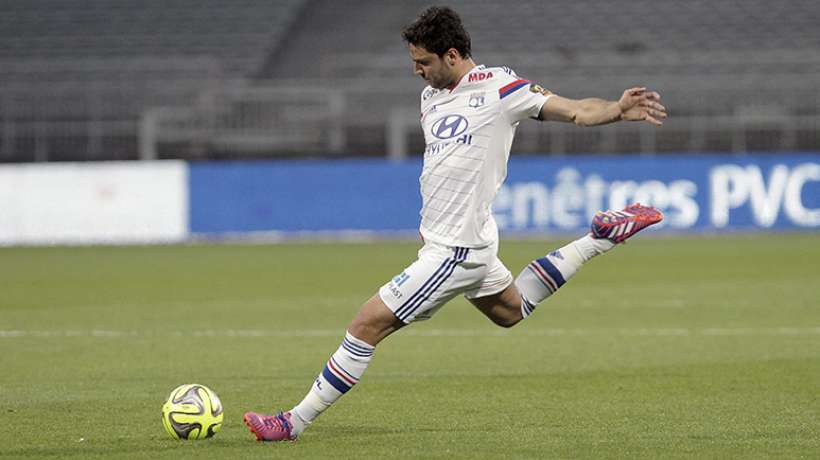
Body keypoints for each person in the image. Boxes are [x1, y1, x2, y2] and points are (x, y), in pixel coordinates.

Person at [243, 5, 668, 441]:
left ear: (451, 55)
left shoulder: (502, 88)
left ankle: (291, 422)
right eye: (413, 62)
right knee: (512, 310)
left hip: (455, 250)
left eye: (423, 62)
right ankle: (599, 238)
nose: (416, 71)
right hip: (465, 240)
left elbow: (576, 109)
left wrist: (616, 109)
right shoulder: (430, 97)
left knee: (366, 324)